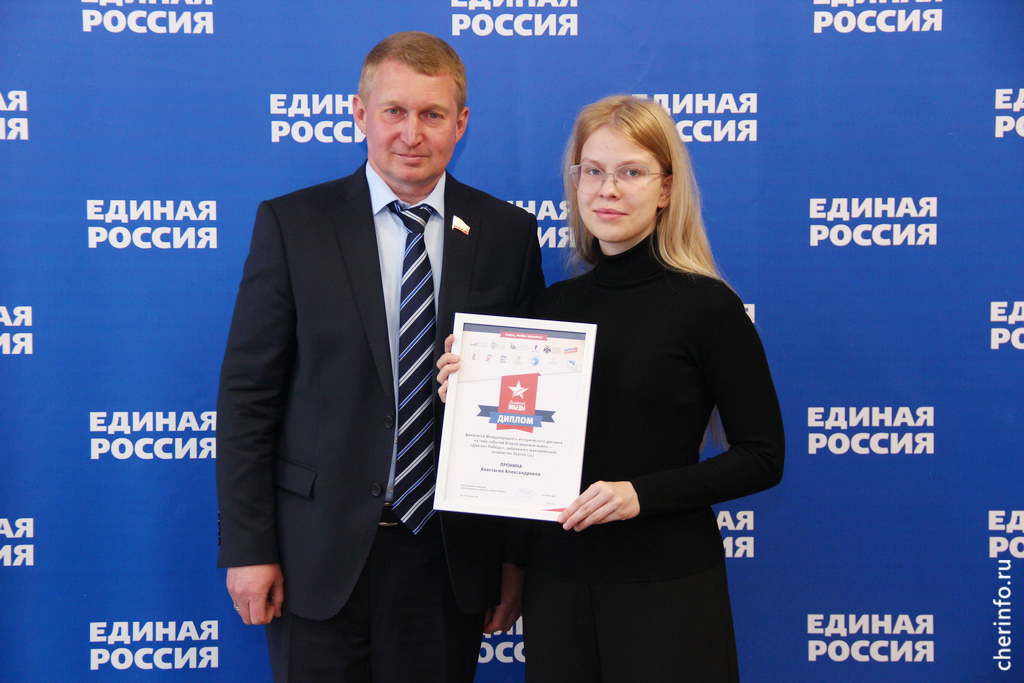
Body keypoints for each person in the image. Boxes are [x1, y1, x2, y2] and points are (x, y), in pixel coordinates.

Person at [216, 31, 544, 683]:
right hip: (315, 558)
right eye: (394, 111)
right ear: (361, 114)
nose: (411, 134)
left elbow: (524, 410)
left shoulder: (508, 234)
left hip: (448, 561)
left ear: (461, 123)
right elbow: (248, 396)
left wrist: (512, 558)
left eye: (432, 114)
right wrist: (249, 547)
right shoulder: (293, 225)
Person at [437, 95, 784, 682]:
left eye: (631, 172)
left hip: (666, 588)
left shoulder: (708, 307)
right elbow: (521, 447)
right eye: (593, 171)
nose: (608, 190)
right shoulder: (552, 308)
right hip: (557, 589)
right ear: (575, 183)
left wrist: (639, 494)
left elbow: (762, 457)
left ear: (666, 188)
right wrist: (469, 398)